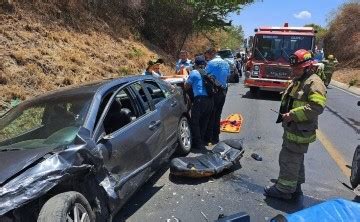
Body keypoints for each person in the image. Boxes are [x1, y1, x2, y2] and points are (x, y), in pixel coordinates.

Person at [264, 49, 327, 200]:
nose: (294, 70)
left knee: (288, 158)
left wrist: (292, 114)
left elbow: (317, 107)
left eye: (297, 68)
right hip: (294, 129)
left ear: (308, 67)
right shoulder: (300, 80)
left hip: (299, 130)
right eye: (293, 68)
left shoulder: (314, 83)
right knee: (296, 158)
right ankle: (295, 186)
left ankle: (284, 190)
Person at [184, 55, 213, 150]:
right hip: (210, 100)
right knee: (204, 121)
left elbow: (186, 86)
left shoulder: (194, 73)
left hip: (200, 100)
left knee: (194, 122)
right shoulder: (207, 72)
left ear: (195, 65)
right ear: (204, 64)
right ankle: (202, 141)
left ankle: (197, 143)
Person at [203, 48, 230, 145]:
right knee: (218, 114)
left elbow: (205, 75)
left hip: (214, 91)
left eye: (207, 55)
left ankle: (209, 138)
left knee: (211, 114)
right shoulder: (226, 63)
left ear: (211, 54)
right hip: (223, 91)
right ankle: (216, 137)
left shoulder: (210, 63)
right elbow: (228, 76)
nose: (207, 57)